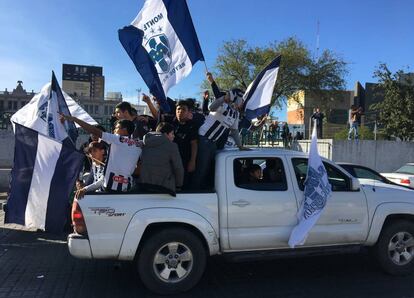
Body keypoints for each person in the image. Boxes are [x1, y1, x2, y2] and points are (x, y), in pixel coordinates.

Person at [60, 114, 142, 192]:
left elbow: (94, 131)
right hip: (126, 187)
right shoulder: (139, 144)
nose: (114, 131)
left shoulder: (117, 139)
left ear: (124, 130)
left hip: (109, 187)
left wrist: (75, 119)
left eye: (116, 128)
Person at [193, 84, 249, 190]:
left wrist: (240, 146)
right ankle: (194, 191)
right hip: (204, 138)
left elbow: (235, 131)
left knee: (210, 167)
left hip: (212, 142)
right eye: (242, 100)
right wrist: (224, 98)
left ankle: (202, 188)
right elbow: (211, 107)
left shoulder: (235, 114)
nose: (242, 103)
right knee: (202, 168)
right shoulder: (223, 104)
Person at [139, 122, 184, 196]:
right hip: (164, 187)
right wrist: (179, 184)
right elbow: (178, 167)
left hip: (145, 185)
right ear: (166, 134)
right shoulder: (172, 146)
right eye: (172, 133)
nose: (174, 136)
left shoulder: (145, 143)